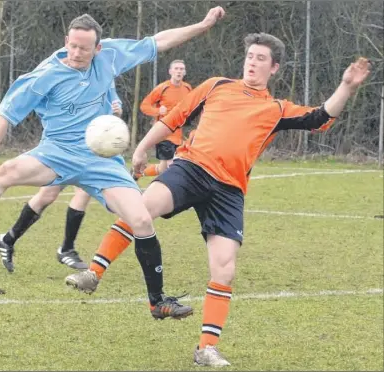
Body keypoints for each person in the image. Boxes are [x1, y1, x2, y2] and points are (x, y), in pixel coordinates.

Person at [65, 33, 371, 366]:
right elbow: (174, 118)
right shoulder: (216, 85)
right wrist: (140, 149)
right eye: (250, 56)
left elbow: (320, 118)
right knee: (141, 208)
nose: (252, 62)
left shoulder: (277, 109)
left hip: (229, 191)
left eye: (260, 59)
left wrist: (347, 87)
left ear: (274, 68)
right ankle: (93, 273)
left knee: (224, 268)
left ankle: (206, 348)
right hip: (192, 168)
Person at [0, 8, 227, 320]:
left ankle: (158, 301)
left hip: (101, 162)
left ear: (98, 48)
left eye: (84, 48)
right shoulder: (45, 75)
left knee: (142, 220)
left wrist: (202, 24)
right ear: (66, 40)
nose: (77, 53)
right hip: (56, 153)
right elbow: (6, 113)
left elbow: (157, 41)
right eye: (72, 46)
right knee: (8, 171)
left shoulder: (110, 56)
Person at [0, 83, 123, 273]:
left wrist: (116, 112)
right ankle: (20, 241)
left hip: (89, 148)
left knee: (77, 192)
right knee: (48, 195)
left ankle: (14, 240)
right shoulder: (70, 78)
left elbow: (114, 113)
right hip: (65, 146)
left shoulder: (105, 78)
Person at [134, 59, 192, 180]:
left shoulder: (188, 88)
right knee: (173, 165)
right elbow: (144, 106)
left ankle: (138, 173)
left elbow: (192, 105)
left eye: (181, 69)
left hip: (177, 133)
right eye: (176, 68)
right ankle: (169, 193)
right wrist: (157, 111)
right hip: (163, 133)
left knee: (162, 168)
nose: (179, 71)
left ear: (185, 72)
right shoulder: (162, 88)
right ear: (170, 71)